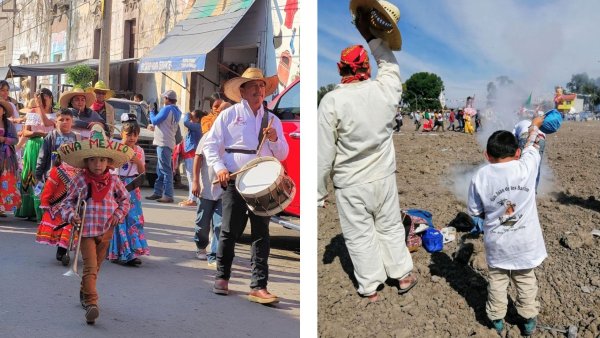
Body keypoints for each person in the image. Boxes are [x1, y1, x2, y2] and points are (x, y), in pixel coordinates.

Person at [317, 4, 417, 303]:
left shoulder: (332, 102)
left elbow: (323, 154)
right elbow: (390, 65)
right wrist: (370, 35)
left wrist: (318, 194)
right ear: (367, 68)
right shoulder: (385, 91)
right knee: (388, 226)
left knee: (360, 236)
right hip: (383, 177)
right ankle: (402, 275)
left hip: (350, 184)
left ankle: (371, 287)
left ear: (339, 69)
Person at [204, 67, 288, 304]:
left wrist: (274, 138)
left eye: (262, 86)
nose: (258, 90)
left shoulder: (272, 120)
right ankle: (222, 277)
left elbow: (282, 154)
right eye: (253, 86)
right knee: (230, 230)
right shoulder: (228, 115)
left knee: (262, 233)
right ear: (242, 91)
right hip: (234, 178)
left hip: (262, 182)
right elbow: (211, 146)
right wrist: (220, 168)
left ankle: (259, 285)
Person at [467, 117, 546, 336]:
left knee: (497, 283)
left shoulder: (480, 176)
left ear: (487, 155)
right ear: (517, 153)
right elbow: (532, 144)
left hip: (497, 244)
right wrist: (534, 125)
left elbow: (474, 211)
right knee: (525, 281)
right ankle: (528, 320)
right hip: (525, 244)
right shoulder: (527, 166)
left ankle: (496, 321)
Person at [58, 124, 133, 325]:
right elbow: (66, 202)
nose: (98, 164)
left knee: (97, 268)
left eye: (102, 160)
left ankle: (84, 292)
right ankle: (92, 304)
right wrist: (71, 215)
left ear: (109, 161)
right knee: (90, 268)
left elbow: (126, 201)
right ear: (86, 162)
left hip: (107, 230)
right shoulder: (80, 179)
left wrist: (119, 214)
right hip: (87, 231)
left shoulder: (115, 180)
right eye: (93, 160)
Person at [107, 113, 150, 266]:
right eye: (128, 134)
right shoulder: (114, 147)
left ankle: (131, 250)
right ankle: (121, 252)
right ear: (121, 134)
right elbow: (108, 167)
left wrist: (137, 161)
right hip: (117, 186)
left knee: (132, 218)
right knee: (119, 219)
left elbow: (142, 170)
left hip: (133, 187)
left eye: (135, 135)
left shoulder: (139, 151)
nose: (131, 138)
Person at [15, 90, 56, 221]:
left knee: (45, 176)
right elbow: (25, 132)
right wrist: (35, 134)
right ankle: (29, 209)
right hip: (33, 146)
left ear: (51, 98)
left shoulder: (56, 114)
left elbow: (47, 124)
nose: (42, 101)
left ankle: (43, 210)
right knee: (31, 175)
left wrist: (40, 107)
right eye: (40, 99)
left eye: (45, 98)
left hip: (48, 146)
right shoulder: (32, 112)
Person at [35, 152, 81, 264]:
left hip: (75, 206)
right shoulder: (58, 171)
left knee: (70, 228)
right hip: (59, 207)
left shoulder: (81, 172)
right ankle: (62, 252)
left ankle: (63, 250)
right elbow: (49, 187)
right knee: (63, 228)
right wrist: (45, 202)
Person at [191, 129, 223, 267]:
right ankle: (201, 244)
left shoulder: (235, 136)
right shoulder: (208, 135)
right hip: (206, 188)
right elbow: (198, 157)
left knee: (220, 225)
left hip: (224, 190)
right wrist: (195, 181)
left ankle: (215, 255)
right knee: (202, 223)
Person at [145, 90, 182, 203]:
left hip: (163, 142)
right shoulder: (177, 111)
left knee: (165, 170)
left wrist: (151, 111)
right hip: (168, 142)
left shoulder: (167, 109)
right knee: (160, 170)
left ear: (167, 98)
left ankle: (168, 195)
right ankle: (158, 192)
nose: (163, 100)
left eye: (164, 98)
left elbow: (155, 120)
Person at [35, 109, 79, 182]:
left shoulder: (77, 137)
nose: (65, 122)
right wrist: (38, 174)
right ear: (56, 122)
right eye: (61, 120)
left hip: (71, 177)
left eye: (67, 119)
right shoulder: (51, 136)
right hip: (52, 176)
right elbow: (42, 155)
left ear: (72, 122)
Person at [179, 109, 205, 207]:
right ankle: (191, 198)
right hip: (190, 154)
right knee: (190, 177)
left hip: (193, 154)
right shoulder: (195, 126)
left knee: (192, 178)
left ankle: (193, 199)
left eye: (192, 117)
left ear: (197, 119)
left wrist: (187, 114)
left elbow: (185, 122)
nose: (190, 119)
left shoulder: (198, 126)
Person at [0, 99, 21, 217]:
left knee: (4, 182)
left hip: (6, 159)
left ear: (3, 111)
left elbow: (16, 140)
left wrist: (4, 140)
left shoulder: (9, 124)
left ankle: (1, 208)